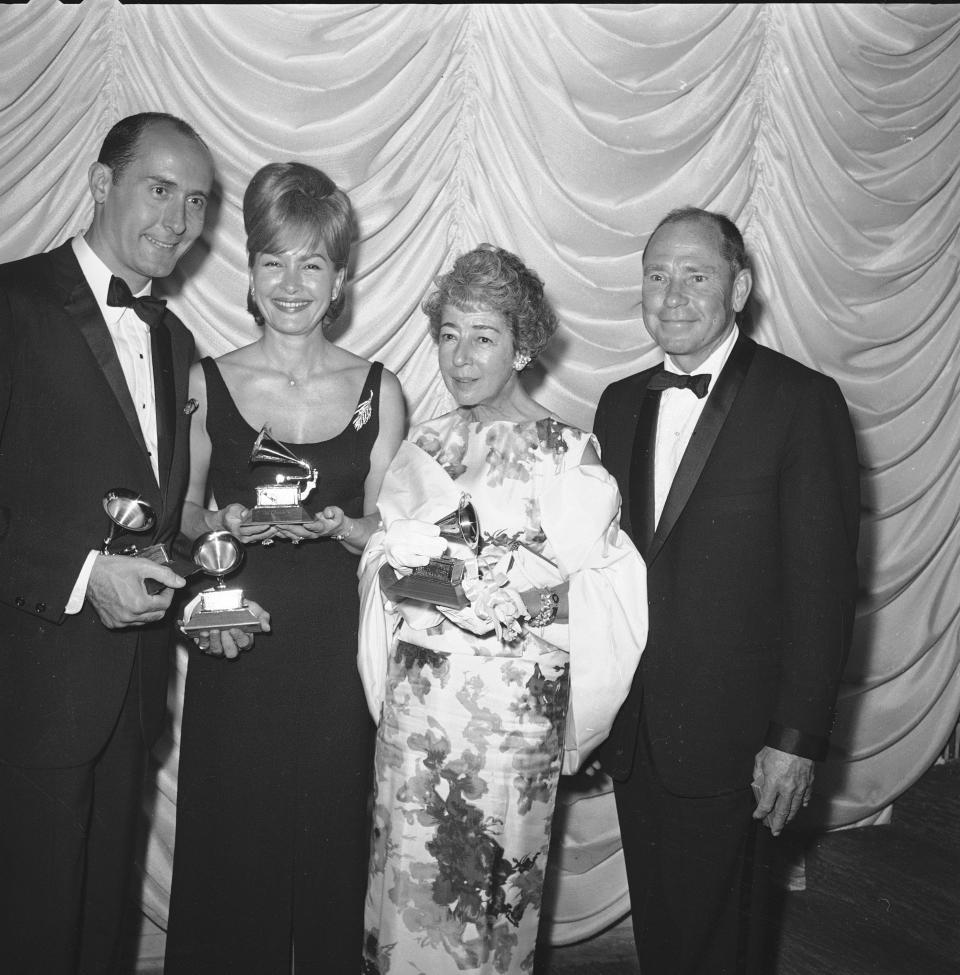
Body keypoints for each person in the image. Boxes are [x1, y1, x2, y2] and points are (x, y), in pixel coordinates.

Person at [357, 244, 647, 974]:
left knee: (489, 909)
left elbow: (604, 599)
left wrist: (514, 596)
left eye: (483, 335)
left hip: (511, 717)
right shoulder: (425, 441)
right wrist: (397, 566)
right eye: (449, 333)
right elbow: (383, 573)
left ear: (522, 347)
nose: (460, 355)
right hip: (418, 708)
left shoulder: (565, 452)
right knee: (406, 893)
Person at [592, 207, 861, 974]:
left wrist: (795, 739)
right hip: (639, 736)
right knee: (665, 942)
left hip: (742, 742)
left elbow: (823, 589)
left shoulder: (802, 401)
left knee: (726, 950)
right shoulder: (617, 403)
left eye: (696, 275)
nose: (672, 295)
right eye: (656, 276)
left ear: (738, 287)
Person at [163, 161, 405, 973]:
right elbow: (183, 515)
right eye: (275, 261)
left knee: (333, 865)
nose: (292, 283)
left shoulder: (381, 389)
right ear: (252, 272)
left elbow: (395, 530)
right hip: (238, 647)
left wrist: (348, 527)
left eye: (313, 264)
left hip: (340, 663)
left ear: (339, 280)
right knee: (232, 871)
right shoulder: (206, 381)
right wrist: (216, 525)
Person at [0, 112, 217, 973]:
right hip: (29, 687)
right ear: (100, 183)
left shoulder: (175, 338)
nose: (178, 219)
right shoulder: (11, 302)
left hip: (130, 692)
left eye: (196, 201)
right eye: (160, 189)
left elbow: (164, 521)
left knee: (101, 936)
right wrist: (85, 573)